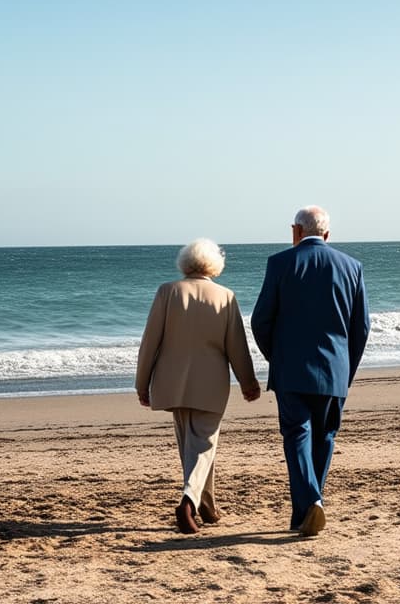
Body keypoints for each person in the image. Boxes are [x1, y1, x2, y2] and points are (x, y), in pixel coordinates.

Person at [251, 205, 370, 537]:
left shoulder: (280, 264)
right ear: (327, 235)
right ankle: (306, 510)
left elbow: (260, 320)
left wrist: (277, 356)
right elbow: (361, 327)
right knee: (325, 437)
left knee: (297, 436)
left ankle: (310, 503)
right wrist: (346, 368)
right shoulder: (352, 267)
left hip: (291, 370)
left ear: (295, 232)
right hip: (335, 369)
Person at [136, 238, 261, 534]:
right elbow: (236, 347)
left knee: (192, 448)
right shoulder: (225, 296)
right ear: (214, 265)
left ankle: (208, 507)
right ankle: (188, 502)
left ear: (185, 263)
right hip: (211, 383)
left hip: (171, 381)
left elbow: (149, 342)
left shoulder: (167, 292)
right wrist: (248, 381)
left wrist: (142, 384)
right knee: (204, 446)